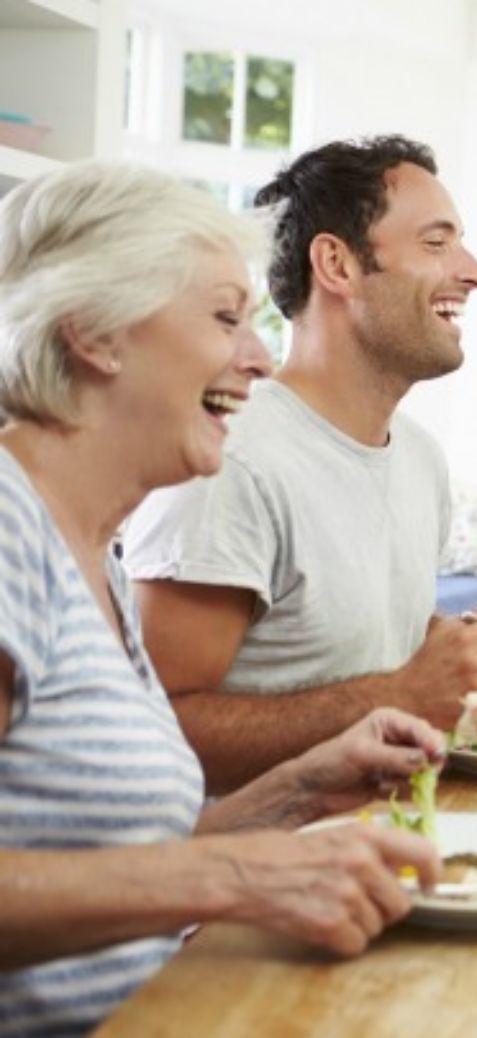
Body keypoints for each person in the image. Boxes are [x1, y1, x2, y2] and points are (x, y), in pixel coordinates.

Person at [0, 161, 445, 1037]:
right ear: (95, 332)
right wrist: (242, 878)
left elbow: (105, 863)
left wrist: (290, 796)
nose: (260, 356)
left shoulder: (87, 550)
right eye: (223, 318)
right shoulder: (7, 528)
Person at [123, 136, 477, 792]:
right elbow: (159, 728)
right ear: (337, 263)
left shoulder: (419, 458)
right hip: (261, 870)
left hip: (389, 844)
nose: (473, 271)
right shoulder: (229, 459)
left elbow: (365, 650)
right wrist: (403, 693)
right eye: (436, 243)